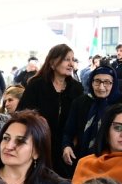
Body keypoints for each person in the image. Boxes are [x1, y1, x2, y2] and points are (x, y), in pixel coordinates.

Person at [16, 43, 82, 175]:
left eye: (72, 60)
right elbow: (22, 115)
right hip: (38, 146)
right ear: (52, 63)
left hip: (65, 150)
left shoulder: (77, 88)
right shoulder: (36, 85)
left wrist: (70, 144)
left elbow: (79, 122)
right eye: (66, 59)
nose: (71, 64)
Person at [60, 66, 116, 167]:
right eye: (97, 81)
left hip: (111, 162)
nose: (101, 87)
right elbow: (68, 131)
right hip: (81, 160)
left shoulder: (121, 104)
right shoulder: (80, 102)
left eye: (107, 82)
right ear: (91, 82)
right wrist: (66, 146)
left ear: (114, 84)